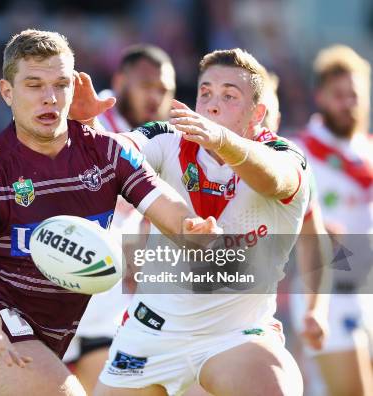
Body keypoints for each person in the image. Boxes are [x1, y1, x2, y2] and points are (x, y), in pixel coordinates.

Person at [0, 29, 220, 396]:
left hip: (62, 337)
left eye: (60, 84)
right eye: (34, 85)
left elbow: (168, 207)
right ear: (7, 92)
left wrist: (191, 228)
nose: (49, 98)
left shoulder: (108, 153)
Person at [93, 48, 310, 396]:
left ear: (257, 115)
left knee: (277, 385)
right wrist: (82, 129)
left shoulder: (286, 155)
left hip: (235, 337)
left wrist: (223, 140)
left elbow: (277, 179)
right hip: (151, 333)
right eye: (205, 93)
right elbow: (117, 152)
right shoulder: (167, 138)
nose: (211, 105)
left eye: (229, 96)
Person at [64, 44, 176, 394]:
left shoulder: (162, 138)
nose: (155, 96)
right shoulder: (85, 117)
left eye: (164, 89)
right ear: (119, 81)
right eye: (146, 85)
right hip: (55, 296)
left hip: (105, 308)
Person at [292, 44, 373, 396]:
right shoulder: (301, 152)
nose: (348, 103)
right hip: (327, 292)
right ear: (320, 97)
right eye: (338, 95)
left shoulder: (368, 151)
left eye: (354, 94)